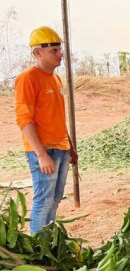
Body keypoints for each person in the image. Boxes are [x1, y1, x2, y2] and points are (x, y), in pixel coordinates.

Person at [14, 26, 78, 235]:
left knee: (55, 198)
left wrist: (70, 146)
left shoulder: (55, 78)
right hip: (44, 151)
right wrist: (41, 155)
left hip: (61, 148)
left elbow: (58, 115)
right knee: (43, 200)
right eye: (54, 51)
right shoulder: (28, 78)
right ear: (38, 53)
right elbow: (24, 120)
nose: (60, 55)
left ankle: (48, 243)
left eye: (60, 50)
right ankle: (38, 249)